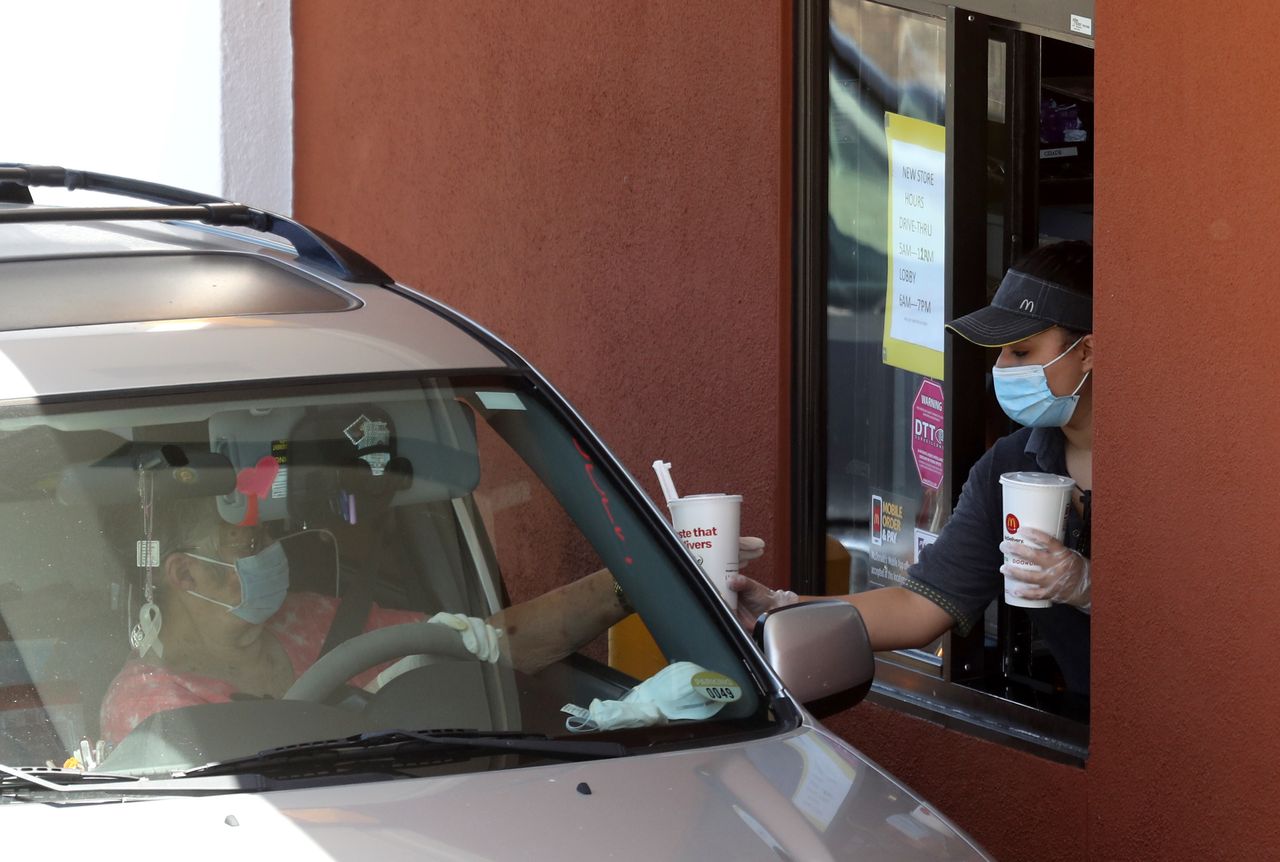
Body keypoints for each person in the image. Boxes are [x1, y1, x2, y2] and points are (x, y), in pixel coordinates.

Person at [730, 240, 1094, 694]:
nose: (1000, 368)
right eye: (998, 353)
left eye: (1020, 353)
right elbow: (920, 605)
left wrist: (1088, 586)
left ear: (1087, 352)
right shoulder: (1007, 465)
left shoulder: (1155, 471)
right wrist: (777, 609)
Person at [100, 496, 636, 744]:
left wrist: (629, 584)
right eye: (253, 543)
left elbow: (477, 643)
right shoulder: (148, 707)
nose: (276, 552)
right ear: (187, 576)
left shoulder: (306, 617)